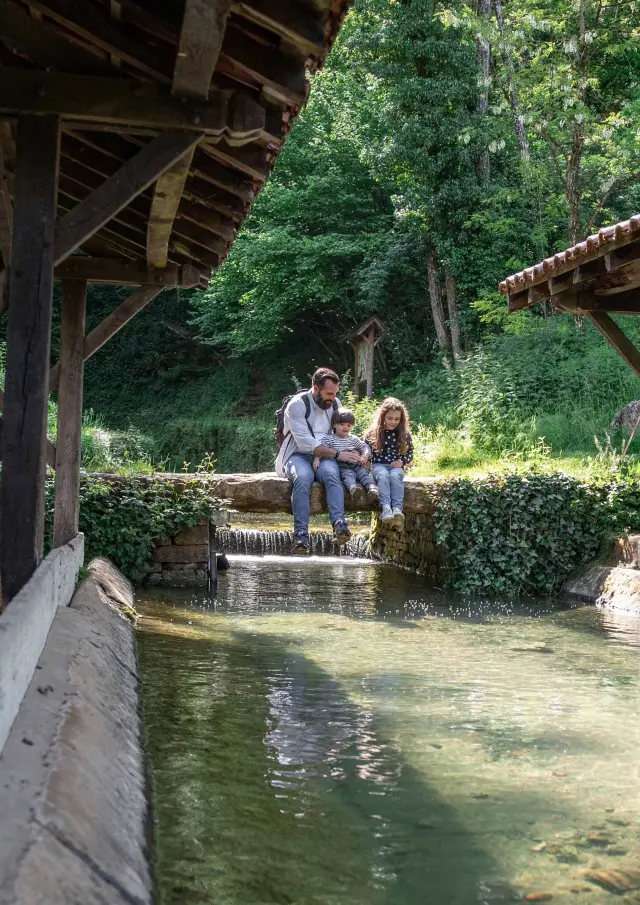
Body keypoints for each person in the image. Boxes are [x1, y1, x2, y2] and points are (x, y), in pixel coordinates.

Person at [275, 368, 359, 555]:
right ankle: (301, 535)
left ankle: (339, 525)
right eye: (329, 394)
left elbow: (340, 434)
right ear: (315, 388)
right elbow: (307, 445)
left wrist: (353, 450)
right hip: (297, 454)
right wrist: (338, 455)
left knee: (331, 474)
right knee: (303, 477)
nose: (333, 398)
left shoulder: (335, 404)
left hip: (327, 456)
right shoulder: (297, 406)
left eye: (335, 394)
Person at [364, 397, 413, 528]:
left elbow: (410, 454)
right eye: (390, 418)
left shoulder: (404, 434)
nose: (393, 422)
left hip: (395, 466)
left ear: (401, 420)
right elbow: (365, 451)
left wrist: (401, 462)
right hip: (379, 466)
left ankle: (397, 509)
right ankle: (386, 508)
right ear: (382, 417)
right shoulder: (373, 434)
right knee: (383, 476)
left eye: (397, 419)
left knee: (395, 476)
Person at [313, 407, 379, 503]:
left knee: (363, 474)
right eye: (342, 424)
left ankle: (372, 488)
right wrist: (316, 459)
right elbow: (321, 450)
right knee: (348, 475)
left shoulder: (353, 439)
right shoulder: (329, 439)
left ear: (352, 426)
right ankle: (354, 489)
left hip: (356, 464)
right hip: (341, 465)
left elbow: (365, 447)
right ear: (334, 425)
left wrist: (365, 455)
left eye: (349, 425)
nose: (345, 427)